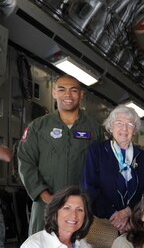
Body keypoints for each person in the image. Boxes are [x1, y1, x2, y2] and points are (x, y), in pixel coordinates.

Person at [17, 74, 102, 236]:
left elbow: (101, 169)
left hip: (80, 209)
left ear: (81, 95)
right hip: (45, 207)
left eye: (73, 90)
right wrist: (46, 196)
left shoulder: (94, 130)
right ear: (54, 93)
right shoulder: (38, 127)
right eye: (62, 90)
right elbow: (26, 162)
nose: (68, 95)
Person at [82, 104, 144, 248]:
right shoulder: (97, 152)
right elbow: (90, 186)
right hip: (103, 222)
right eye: (119, 123)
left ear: (135, 129)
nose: (124, 128)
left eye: (130, 124)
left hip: (133, 224)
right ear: (111, 126)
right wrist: (112, 215)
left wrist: (129, 212)